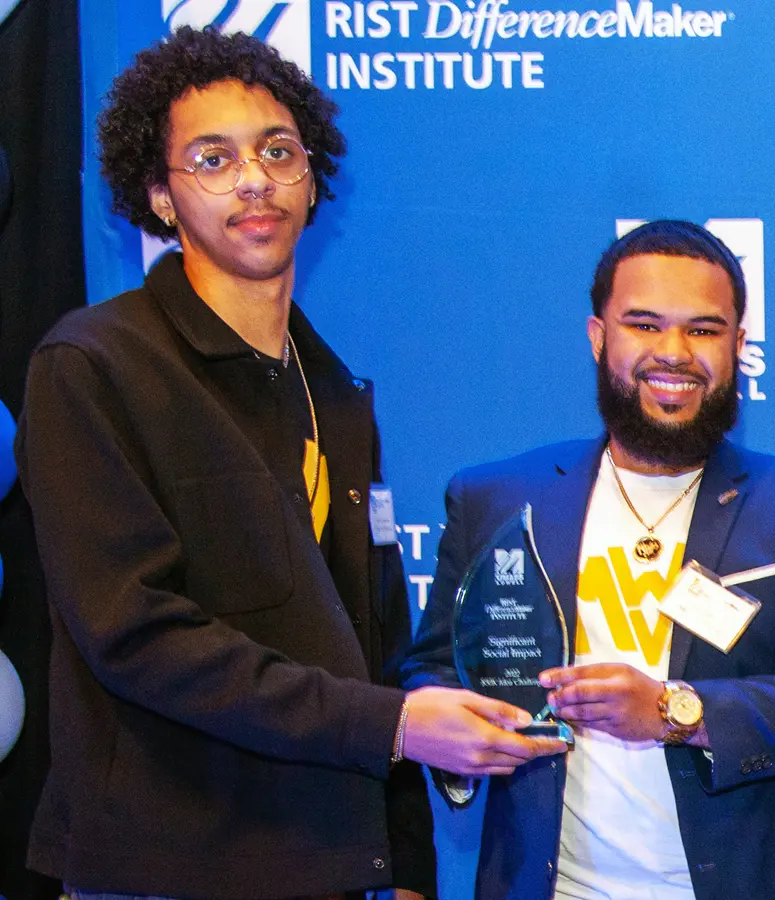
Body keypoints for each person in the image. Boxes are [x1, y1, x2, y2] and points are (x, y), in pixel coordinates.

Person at [18, 27, 547, 899]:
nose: (254, 179)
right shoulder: (93, 366)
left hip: (332, 863)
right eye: (212, 160)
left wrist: (405, 861)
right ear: (159, 196)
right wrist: (395, 725)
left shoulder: (335, 389)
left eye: (276, 151)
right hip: (165, 867)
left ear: (312, 178)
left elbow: (373, 644)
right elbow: (136, 634)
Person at [402, 219, 775, 900]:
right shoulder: (497, 499)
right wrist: (455, 735)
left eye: (703, 329)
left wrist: (677, 710)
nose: (674, 353)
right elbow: (438, 669)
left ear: (738, 346)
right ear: (597, 335)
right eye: (644, 324)